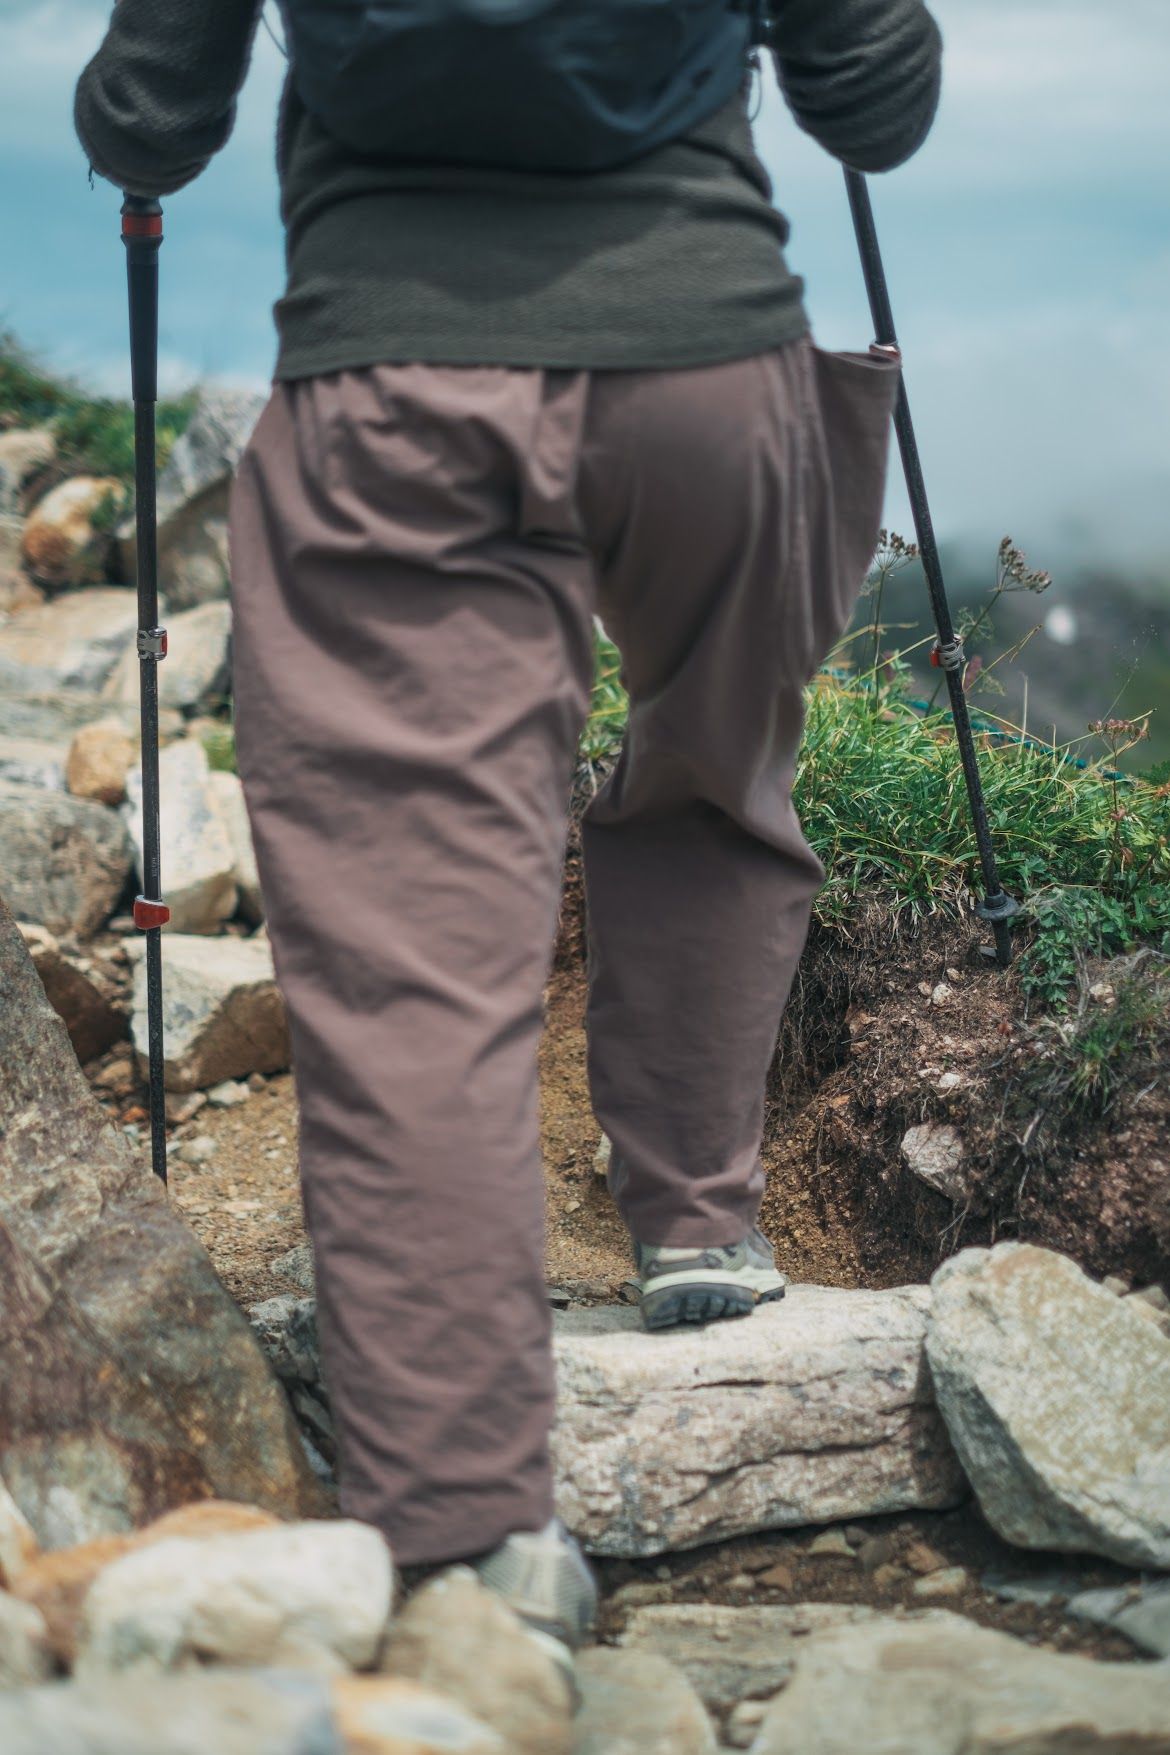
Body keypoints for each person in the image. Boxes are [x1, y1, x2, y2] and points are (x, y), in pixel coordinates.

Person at [75, 0, 942, 1670]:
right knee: (714, 780)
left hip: (387, 384)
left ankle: (473, 1537)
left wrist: (139, 121)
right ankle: (698, 1214)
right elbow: (879, 100)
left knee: (409, 956)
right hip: (711, 368)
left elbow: (145, 115)